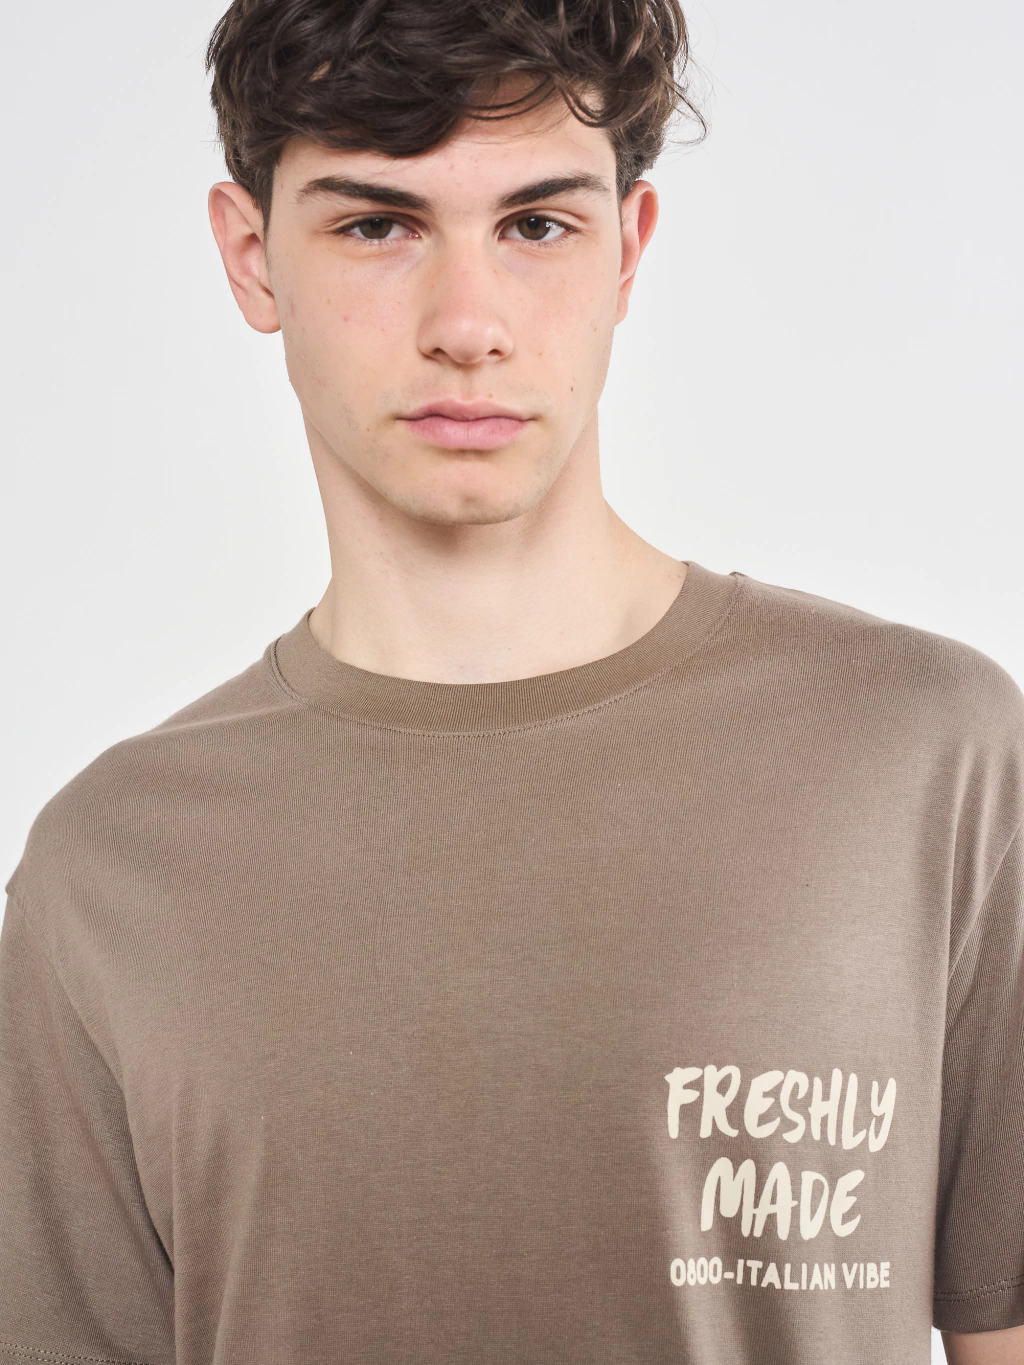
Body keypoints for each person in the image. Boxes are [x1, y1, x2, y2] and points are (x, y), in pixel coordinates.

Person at [0, 0, 1021, 1361]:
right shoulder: (105, 877)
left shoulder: (928, 756)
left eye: (537, 225)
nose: (468, 324)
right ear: (252, 260)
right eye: (379, 225)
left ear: (627, 249)